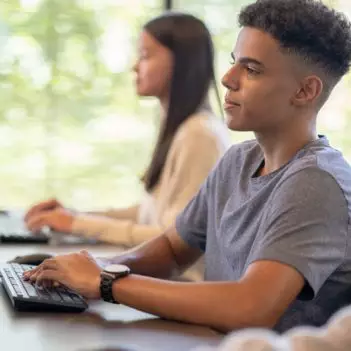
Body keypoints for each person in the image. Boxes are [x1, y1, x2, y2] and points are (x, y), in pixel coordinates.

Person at [24, 0, 351, 333]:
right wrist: (95, 266)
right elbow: (171, 250)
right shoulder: (239, 160)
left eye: (251, 69)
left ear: (305, 90)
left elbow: (252, 308)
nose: (227, 79)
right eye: (234, 63)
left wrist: (106, 282)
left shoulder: (317, 182)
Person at [24, 12, 230, 248]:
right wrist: (73, 217)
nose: (134, 66)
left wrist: (78, 224)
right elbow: (149, 214)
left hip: (177, 280)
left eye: (145, 55)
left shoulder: (200, 135)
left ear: (181, 62)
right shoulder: (183, 127)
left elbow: (174, 238)